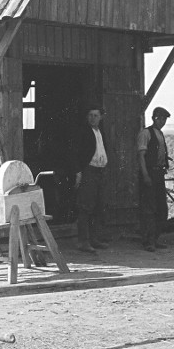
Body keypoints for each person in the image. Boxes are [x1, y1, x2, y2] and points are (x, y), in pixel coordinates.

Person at [70, 104, 113, 253]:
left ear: (101, 117)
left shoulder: (100, 132)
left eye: (96, 115)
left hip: (100, 172)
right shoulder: (83, 132)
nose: (93, 118)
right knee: (85, 207)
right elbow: (75, 152)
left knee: (98, 206)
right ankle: (83, 241)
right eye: (90, 115)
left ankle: (94, 238)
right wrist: (78, 172)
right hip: (88, 171)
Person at [137, 107, 171, 252]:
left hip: (159, 174)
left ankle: (155, 239)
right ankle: (148, 241)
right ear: (153, 118)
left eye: (164, 119)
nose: (162, 121)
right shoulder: (145, 133)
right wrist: (145, 175)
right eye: (159, 118)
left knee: (161, 207)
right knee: (149, 208)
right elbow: (141, 156)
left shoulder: (160, 134)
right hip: (150, 173)